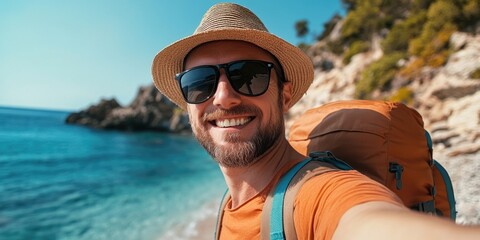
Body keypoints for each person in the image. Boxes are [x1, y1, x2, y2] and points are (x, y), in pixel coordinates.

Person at [152, 3, 480, 240]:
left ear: (284, 94)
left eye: (248, 76)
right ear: (187, 104)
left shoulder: (320, 194)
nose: (223, 97)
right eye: (199, 83)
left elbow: (368, 221)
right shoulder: (228, 203)